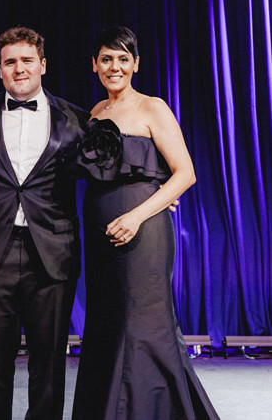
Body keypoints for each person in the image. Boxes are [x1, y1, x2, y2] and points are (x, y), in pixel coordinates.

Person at [71, 26, 220, 420]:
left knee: (143, 323)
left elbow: (184, 173)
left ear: (136, 64)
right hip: (100, 230)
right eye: (106, 59)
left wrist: (138, 215)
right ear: (94, 65)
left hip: (143, 231)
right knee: (107, 322)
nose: (114, 66)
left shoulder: (153, 107)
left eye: (123, 59)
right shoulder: (95, 114)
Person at [0, 26, 88, 420]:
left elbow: (111, 168)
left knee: (49, 365)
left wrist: (151, 196)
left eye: (27, 61)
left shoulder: (76, 118)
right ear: (0, 69)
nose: (19, 69)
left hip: (53, 255)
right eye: (10, 62)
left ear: (43, 65)